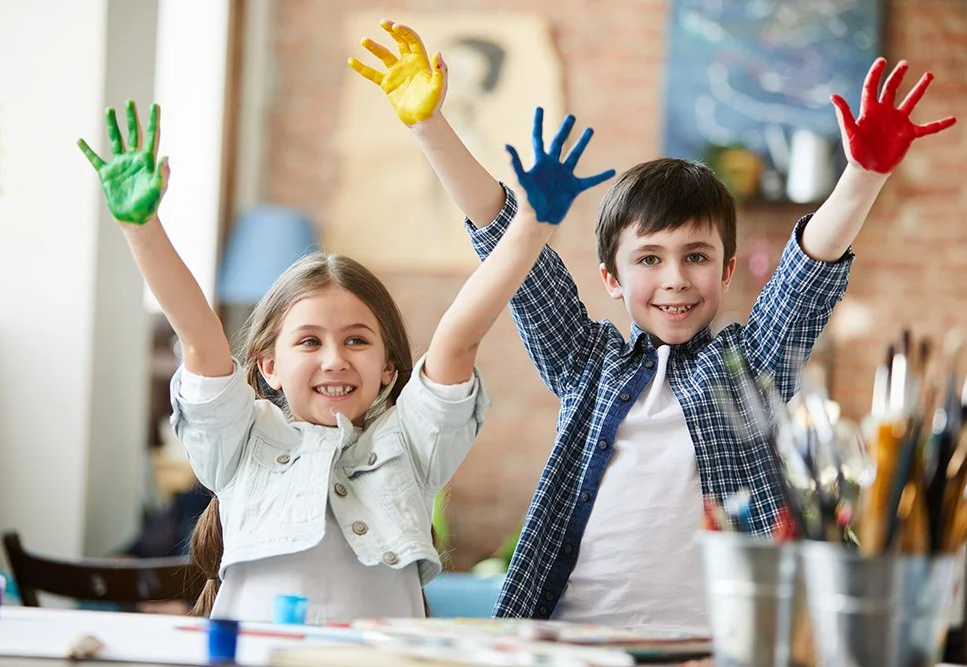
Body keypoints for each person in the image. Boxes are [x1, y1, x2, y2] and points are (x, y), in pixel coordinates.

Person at [351, 22, 957, 626]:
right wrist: (430, 126)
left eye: (696, 256)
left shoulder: (748, 370)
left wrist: (864, 174)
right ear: (611, 278)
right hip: (569, 640)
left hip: (713, 646)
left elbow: (807, 275)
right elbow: (508, 244)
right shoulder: (586, 365)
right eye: (649, 259)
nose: (674, 279)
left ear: (724, 273)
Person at [77, 97, 612, 623]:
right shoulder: (240, 441)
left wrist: (531, 227)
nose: (334, 359)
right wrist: (141, 229)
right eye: (309, 342)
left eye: (357, 341)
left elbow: (458, 340)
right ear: (267, 366)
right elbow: (200, 340)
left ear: (388, 368)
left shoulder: (410, 442)